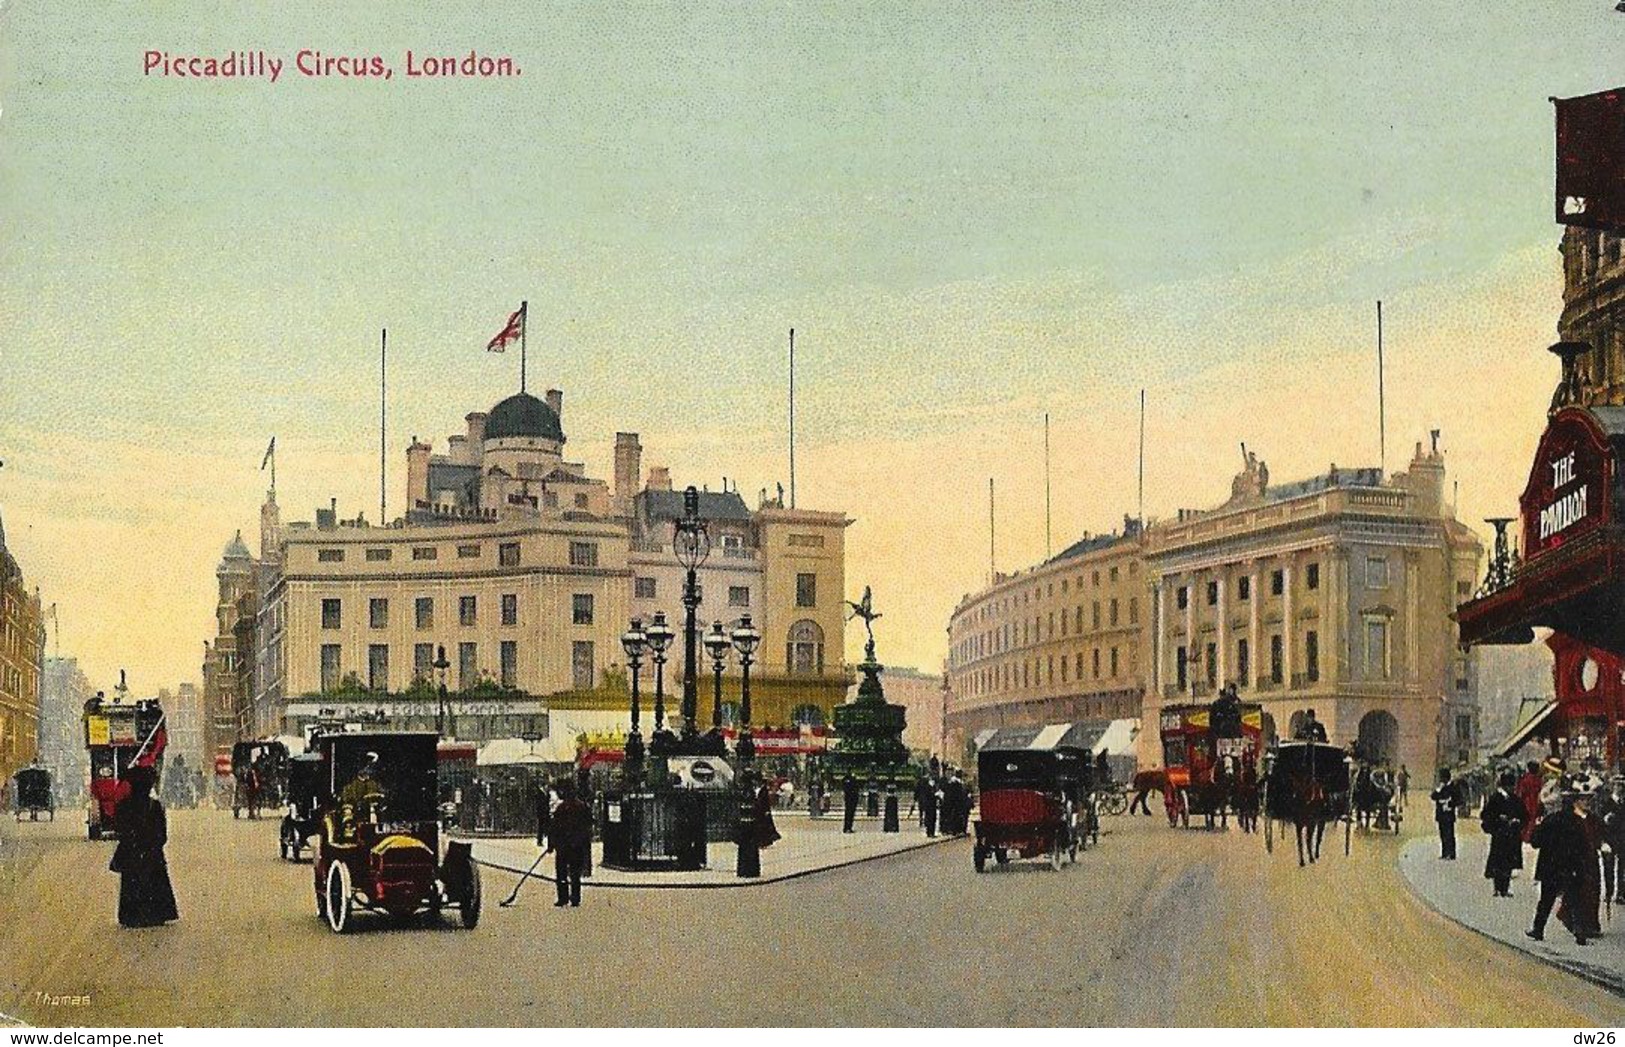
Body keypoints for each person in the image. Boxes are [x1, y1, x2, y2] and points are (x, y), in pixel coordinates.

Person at [109, 766, 178, 928]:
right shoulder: (155, 807)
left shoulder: (123, 806)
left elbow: (119, 829)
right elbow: (162, 835)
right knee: (155, 882)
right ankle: (155, 914)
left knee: (132, 885)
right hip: (152, 855)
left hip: (132, 854)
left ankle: (133, 915)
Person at [1528, 790, 1593, 945]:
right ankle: (1579, 932)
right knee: (1574, 901)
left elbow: (1535, 842)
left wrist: (1537, 827)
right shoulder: (1577, 823)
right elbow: (1584, 847)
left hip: (1550, 867)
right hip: (1571, 868)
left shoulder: (1550, 820)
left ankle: (1538, 930)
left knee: (1545, 901)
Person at [546, 782, 592, 908]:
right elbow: (588, 826)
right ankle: (575, 898)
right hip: (576, 846)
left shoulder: (561, 808)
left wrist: (551, 845)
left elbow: (553, 828)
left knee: (561, 873)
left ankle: (563, 897)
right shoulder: (582, 807)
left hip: (563, 846)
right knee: (575, 874)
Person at [1480, 770, 1526, 897]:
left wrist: (1517, 821)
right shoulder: (1495, 798)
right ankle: (1497, 887)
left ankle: (1504, 888)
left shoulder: (1516, 799)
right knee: (1498, 861)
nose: (1512, 788)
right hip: (1500, 834)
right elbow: (1486, 814)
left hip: (1512, 834)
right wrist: (1498, 819)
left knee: (1508, 863)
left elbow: (1524, 815)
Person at [1600, 776, 1625, 906]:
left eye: (1622, 785)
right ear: (1613, 787)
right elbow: (1599, 821)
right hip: (1608, 839)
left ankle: (1621, 894)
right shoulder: (1605, 802)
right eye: (1617, 785)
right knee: (1608, 868)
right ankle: (1609, 893)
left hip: (1623, 839)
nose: (1620, 788)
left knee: (1623, 868)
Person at [1431, 769, 1465, 860]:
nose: (1441, 780)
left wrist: (1450, 804)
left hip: (1449, 814)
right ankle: (1444, 852)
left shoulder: (1453, 787)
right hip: (1441, 814)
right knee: (1442, 834)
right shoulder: (1441, 787)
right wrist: (1438, 789)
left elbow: (1459, 800)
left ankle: (1451, 853)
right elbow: (1433, 796)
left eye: (1442, 778)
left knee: (1449, 834)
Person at [1515, 761, 1544, 844]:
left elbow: (1520, 792)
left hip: (1527, 802)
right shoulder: (1539, 780)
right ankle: (1529, 836)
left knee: (1526, 819)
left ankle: (1525, 836)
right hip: (1535, 802)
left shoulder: (1525, 779)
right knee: (1532, 819)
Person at [753, 781, 781, 850]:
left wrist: (767, 810)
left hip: (763, 811)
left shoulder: (764, 790)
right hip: (758, 811)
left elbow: (765, 801)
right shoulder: (755, 789)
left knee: (766, 827)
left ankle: (766, 842)